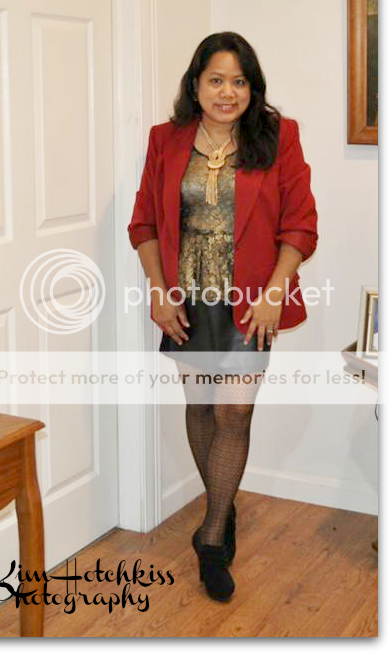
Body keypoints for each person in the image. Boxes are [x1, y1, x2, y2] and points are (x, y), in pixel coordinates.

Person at [127, 32, 318, 602]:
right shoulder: (166, 139)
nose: (227, 92)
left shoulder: (279, 137)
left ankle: (211, 539)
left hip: (251, 300)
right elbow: (144, 223)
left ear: (252, 88)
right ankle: (223, 502)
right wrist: (159, 292)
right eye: (216, 80)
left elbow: (301, 224)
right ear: (196, 85)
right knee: (201, 407)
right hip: (187, 298)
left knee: (234, 410)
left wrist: (275, 294)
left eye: (239, 81)